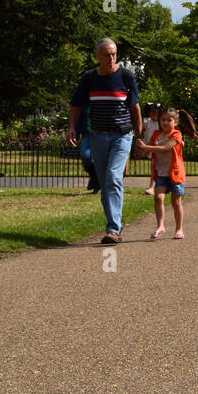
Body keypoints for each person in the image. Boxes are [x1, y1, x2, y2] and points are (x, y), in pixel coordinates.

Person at [67, 38, 141, 245]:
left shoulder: (126, 76)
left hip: (122, 134)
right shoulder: (89, 78)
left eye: (114, 54)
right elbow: (76, 105)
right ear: (97, 56)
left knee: (112, 176)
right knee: (105, 182)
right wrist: (72, 127)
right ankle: (112, 225)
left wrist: (139, 134)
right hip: (98, 135)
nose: (111, 58)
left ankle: (113, 229)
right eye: (106, 54)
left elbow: (135, 107)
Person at [139, 107, 186, 239]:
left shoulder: (176, 134)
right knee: (158, 197)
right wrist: (140, 148)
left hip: (175, 173)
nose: (165, 122)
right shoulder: (155, 135)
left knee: (176, 202)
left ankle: (179, 228)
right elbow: (146, 150)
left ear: (175, 122)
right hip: (161, 173)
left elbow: (165, 148)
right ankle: (160, 226)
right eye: (163, 120)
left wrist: (146, 147)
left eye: (169, 120)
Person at [75, 105, 100, 193]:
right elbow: (79, 118)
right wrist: (76, 134)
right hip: (87, 133)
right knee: (85, 156)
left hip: (102, 132)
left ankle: (98, 182)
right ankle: (94, 177)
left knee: (101, 159)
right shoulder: (84, 101)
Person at [141, 102, 162, 196]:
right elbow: (140, 127)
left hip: (158, 148)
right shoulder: (148, 121)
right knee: (155, 168)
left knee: (156, 168)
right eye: (151, 113)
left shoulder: (161, 123)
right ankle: (153, 187)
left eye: (155, 113)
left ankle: (152, 187)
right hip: (150, 147)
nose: (153, 115)